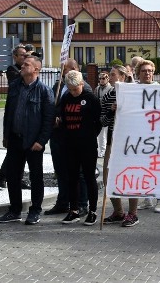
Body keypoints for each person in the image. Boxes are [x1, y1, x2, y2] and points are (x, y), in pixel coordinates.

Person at [0, 56, 55, 225]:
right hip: (14, 139)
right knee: (13, 176)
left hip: (33, 142)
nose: (22, 66)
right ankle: (14, 210)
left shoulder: (44, 91)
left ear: (36, 69)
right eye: (23, 64)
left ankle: (35, 210)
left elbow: (48, 118)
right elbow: (8, 112)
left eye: (27, 64)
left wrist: (42, 141)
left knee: (36, 177)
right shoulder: (15, 86)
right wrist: (6, 135)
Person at [46, 58, 92, 216]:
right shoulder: (57, 86)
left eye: (64, 69)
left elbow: (84, 114)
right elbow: (54, 106)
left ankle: (82, 204)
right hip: (58, 137)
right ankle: (63, 202)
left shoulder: (84, 88)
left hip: (75, 138)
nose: (62, 72)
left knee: (78, 173)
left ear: (74, 69)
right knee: (61, 171)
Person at [57, 71, 103, 225]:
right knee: (72, 178)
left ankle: (92, 210)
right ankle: (74, 210)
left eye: (75, 89)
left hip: (87, 145)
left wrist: (88, 136)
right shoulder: (66, 98)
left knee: (89, 177)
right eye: (70, 89)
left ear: (82, 84)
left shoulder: (90, 98)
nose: (73, 92)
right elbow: (62, 116)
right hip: (70, 144)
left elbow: (99, 122)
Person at [101, 65, 140, 226]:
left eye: (113, 74)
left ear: (123, 77)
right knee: (108, 176)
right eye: (109, 74)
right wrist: (111, 111)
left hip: (131, 141)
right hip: (113, 139)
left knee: (131, 176)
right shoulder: (108, 95)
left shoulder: (135, 94)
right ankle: (118, 211)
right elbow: (102, 120)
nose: (110, 77)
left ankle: (133, 213)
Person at [134, 60, 160, 213]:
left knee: (158, 168)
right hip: (140, 135)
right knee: (143, 168)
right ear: (138, 73)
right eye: (144, 71)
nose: (147, 73)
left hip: (157, 135)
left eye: (149, 71)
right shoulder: (132, 90)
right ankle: (147, 198)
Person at [0, 45, 29, 188]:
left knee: (23, 152)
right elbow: (18, 80)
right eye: (22, 55)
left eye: (26, 55)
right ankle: (2, 177)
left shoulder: (27, 70)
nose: (25, 58)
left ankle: (19, 177)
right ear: (15, 57)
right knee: (12, 152)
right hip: (15, 113)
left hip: (26, 116)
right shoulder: (12, 70)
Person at [95, 72, 112, 157]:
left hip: (108, 113)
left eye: (103, 78)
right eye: (100, 78)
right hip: (99, 113)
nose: (101, 80)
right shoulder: (97, 88)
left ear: (107, 79)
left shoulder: (110, 88)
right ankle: (101, 150)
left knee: (106, 133)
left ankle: (104, 150)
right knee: (100, 134)